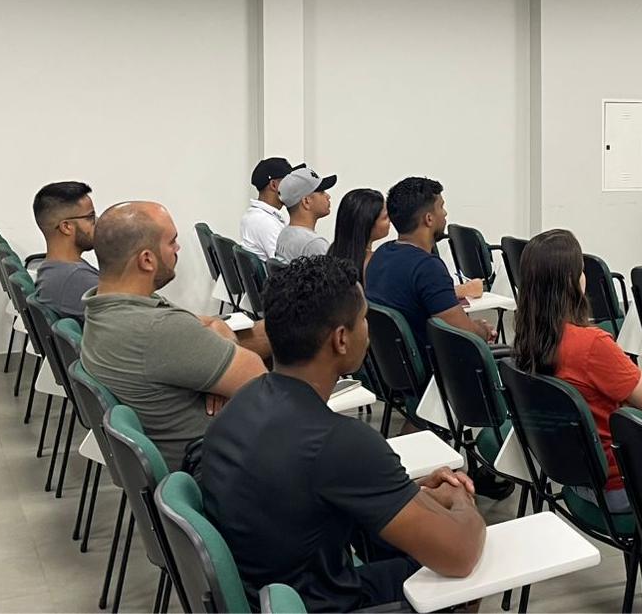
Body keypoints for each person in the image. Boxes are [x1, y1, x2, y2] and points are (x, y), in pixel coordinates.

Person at [201, 256, 486, 612]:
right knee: (464, 585)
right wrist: (461, 499)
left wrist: (412, 493)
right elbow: (460, 554)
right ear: (340, 339)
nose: (368, 328)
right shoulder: (339, 441)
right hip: (320, 603)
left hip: (269, 595)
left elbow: (312, 489)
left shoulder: (242, 402)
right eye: (363, 318)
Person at [81, 202, 270, 471]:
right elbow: (259, 382)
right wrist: (225, 362)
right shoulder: (156, 328)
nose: (178, 249)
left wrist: (220, 351)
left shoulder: (105, 308)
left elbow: (208, 322)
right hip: (225, 465)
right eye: (172, 242)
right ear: (147, 260)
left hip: (201, 456)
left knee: (271, 332)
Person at [512, 229, 642, 513]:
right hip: (618, 488)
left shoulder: (527, 336)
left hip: (569, 475)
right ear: (572, 281)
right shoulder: (592, 345)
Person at [365, 177, 495, 346]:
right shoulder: (427, 268)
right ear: (429, 219)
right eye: (441, 207)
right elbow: (464, 334)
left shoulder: (381, 255)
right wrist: (483, 330)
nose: (445, 213)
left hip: (392, 361)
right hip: (431, 361)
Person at [31, 181, 99, 322]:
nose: (98, 222)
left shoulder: (55, 269)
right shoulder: (76, 279)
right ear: (66, 227)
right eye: (90, 217)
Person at [326, 188, 391, 282]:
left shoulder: (333, 251)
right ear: (367, 223)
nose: (390, 220)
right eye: (385, 217)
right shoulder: (376, 262)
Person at [240, 157, 297, 261]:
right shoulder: (265, 223)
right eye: (289, 182)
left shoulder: (257, 215)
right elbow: (286, 265)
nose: (293, 187)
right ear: (274, 185)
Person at [275, 166, 336, 261]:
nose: (328, 196)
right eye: (322, 192)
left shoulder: (284, 234)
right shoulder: (314, 244)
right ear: (306, 201)